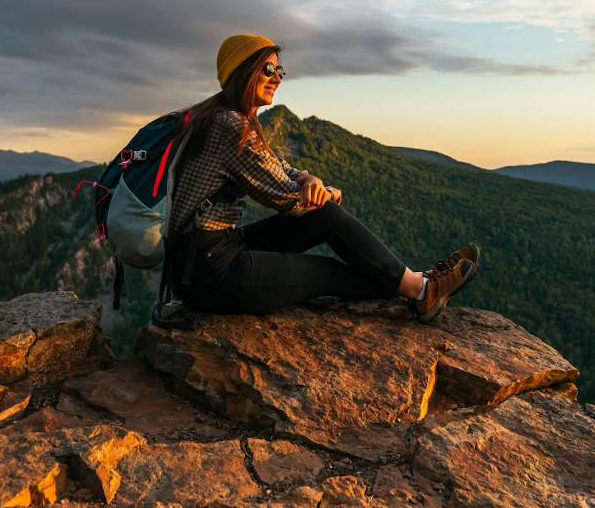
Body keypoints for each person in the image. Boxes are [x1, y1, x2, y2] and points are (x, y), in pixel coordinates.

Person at [164, 33, 478, 323]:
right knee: (326, 266)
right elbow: (283, 197)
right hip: (209, 271)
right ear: (241, 71)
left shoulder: (222, 116)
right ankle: (420, 291)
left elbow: (276, 166)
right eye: (268, 69)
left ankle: (416, 283)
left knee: (323, 215)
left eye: (280, 70)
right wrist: (321, 194)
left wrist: (309, 179)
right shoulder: (231, 125)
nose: (277, 78)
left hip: (211, 252)